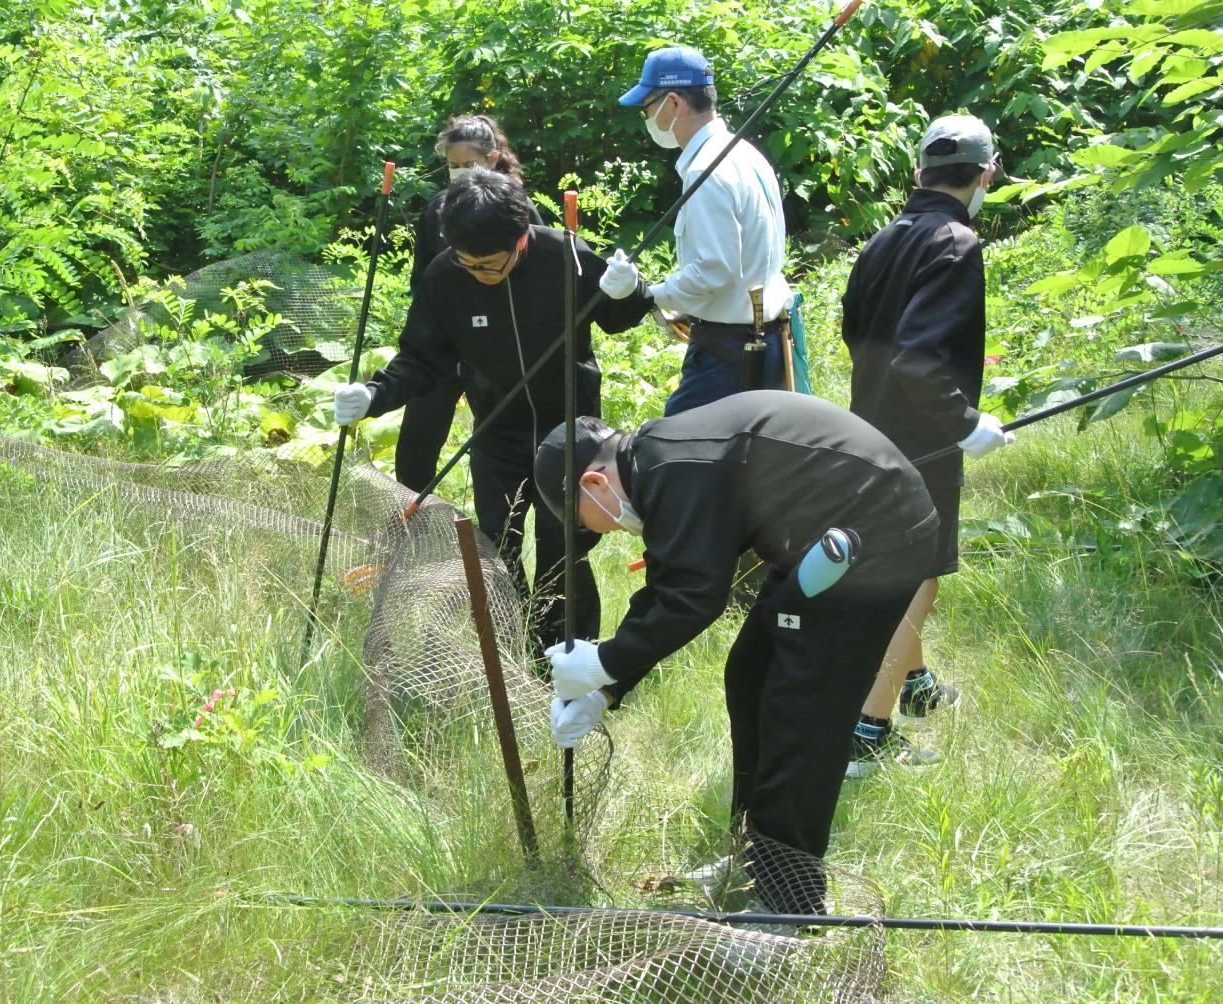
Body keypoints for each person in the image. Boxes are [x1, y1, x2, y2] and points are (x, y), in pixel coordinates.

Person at [534, 393, 939, 912]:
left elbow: (695, 597)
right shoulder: (659, 463)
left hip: (876, 535)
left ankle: (787, 901)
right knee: (750, 675)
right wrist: (607, 689)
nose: (604, 532)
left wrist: (601, 663)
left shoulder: (674, 469)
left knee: (801, 709)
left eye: (590, 524)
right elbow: (669, 589)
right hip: (819, 534)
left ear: (594, 483)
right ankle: (755, 854)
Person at [333, 168, 653, 650]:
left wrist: (631, 290)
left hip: (571, 433)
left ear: (521, 238)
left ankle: (573, 656)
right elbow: (423, 357)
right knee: (496, 546)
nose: (480, 274)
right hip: (496, 431)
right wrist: (374, 396)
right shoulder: (445, 276)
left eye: (491, 264)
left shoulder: (564, 255)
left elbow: (614, 318)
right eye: (470, 263)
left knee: (564, 548)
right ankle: (513, 650)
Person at [839, 114, 1014, 777]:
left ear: (920, 173)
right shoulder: (957, 242)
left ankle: (915, 687)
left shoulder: (883, 239)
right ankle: (865, 735)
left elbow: (856, 330)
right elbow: (917, 358)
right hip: (922, 445)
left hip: (867, 431)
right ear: (986, 172)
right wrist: (964, 422)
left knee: (898, 567)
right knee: (914, 580)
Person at [597, 46, 797, 415]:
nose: (647, 118)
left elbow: (714, 271)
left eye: (647, 108)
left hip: (729, 351)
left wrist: (646, 295)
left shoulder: (708, 170)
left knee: (675, 455)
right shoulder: (744, 152)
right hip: (765, 336)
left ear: (673, 103)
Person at [398, 116, 543, 494]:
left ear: (493, 158)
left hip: (497, 347)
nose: (462, 174)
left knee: (496, 442)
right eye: (454, 166)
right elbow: (422, 283)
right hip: (447, 341)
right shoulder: (437, 209)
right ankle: (409, 514)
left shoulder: (517, 207)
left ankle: (499, 529)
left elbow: (539, 274)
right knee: (417, 436)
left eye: (471, 165)